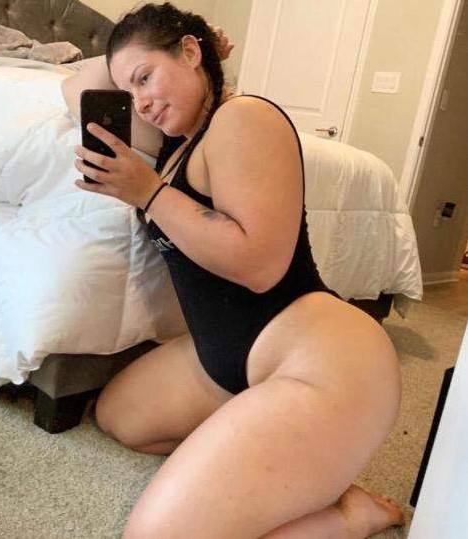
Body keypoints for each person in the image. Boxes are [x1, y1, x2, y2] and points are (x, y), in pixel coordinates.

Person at [62, 3, 405, 538]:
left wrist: (148, 193)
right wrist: (168, 58)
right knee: (120, 418)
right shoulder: (176, 144)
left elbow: (260, 267)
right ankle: (282, 462)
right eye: (128, 89)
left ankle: (348, 515)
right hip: (223, 358)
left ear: (190, 53)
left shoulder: (244, 117)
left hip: (321, 361)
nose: (140, 104)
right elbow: (76, 85)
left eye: (146, 78)